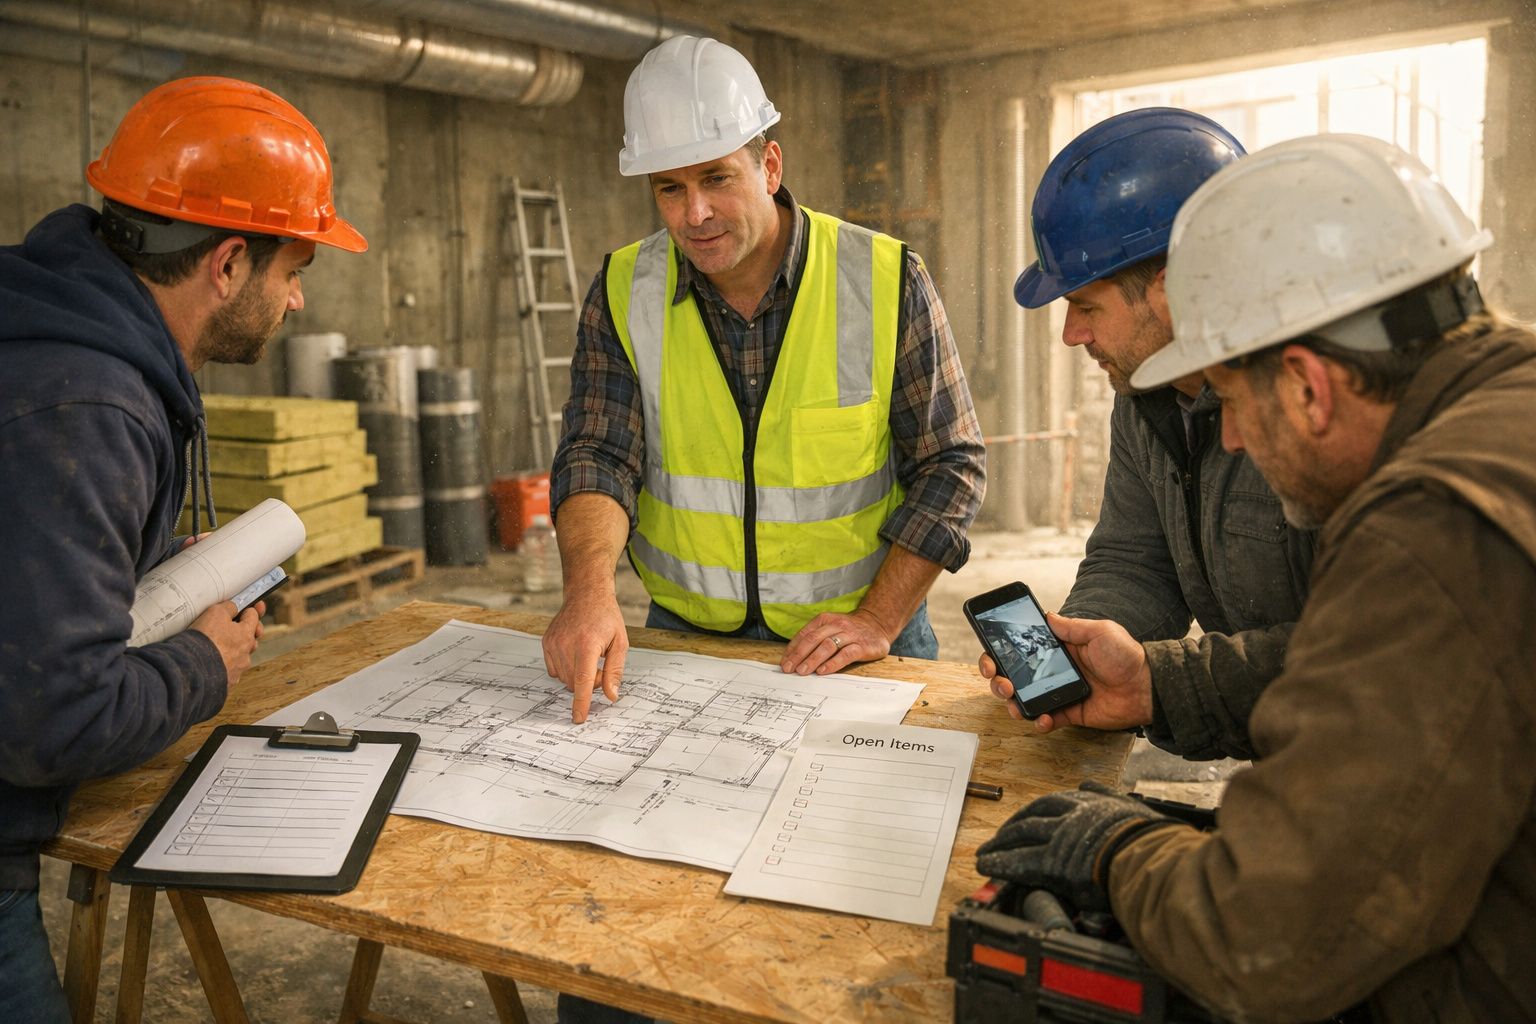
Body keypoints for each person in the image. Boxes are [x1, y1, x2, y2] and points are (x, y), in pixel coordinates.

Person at [976, 134, 1536, 1020]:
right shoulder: (1499, 419)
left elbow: (1268, 940)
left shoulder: (1429, 532)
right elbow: (1370, 677)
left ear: (1310, 388)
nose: (1228, 438)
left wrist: (1119, 847)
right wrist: (1157, 679)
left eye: (1233, 403)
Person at [0, 77, 365, 1020]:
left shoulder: (53, 334)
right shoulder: (87, 403)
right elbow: (54, 721)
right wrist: (206, 660)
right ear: (230, 263)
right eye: (295, 272)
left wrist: (144, 560)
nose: (293, 304)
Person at [544, 35, 985, 725]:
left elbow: (951, 464)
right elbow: (597, 455)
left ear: (768, 164)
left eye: (716, 178)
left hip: (863, 642)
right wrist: (587, 593)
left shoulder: (884, 280)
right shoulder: (626, 288)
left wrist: (877, 618)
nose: (694, 215)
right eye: (670, 188)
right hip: (684, 637)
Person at [983, 108, 1317, 760]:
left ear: (1174, 291)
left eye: (1085, 305)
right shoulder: (1142, 400)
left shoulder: (1309, 411)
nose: (1071, 335)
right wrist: (1080, 649)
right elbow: (1134, 561)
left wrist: (1160, 684)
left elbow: (1370, 654)